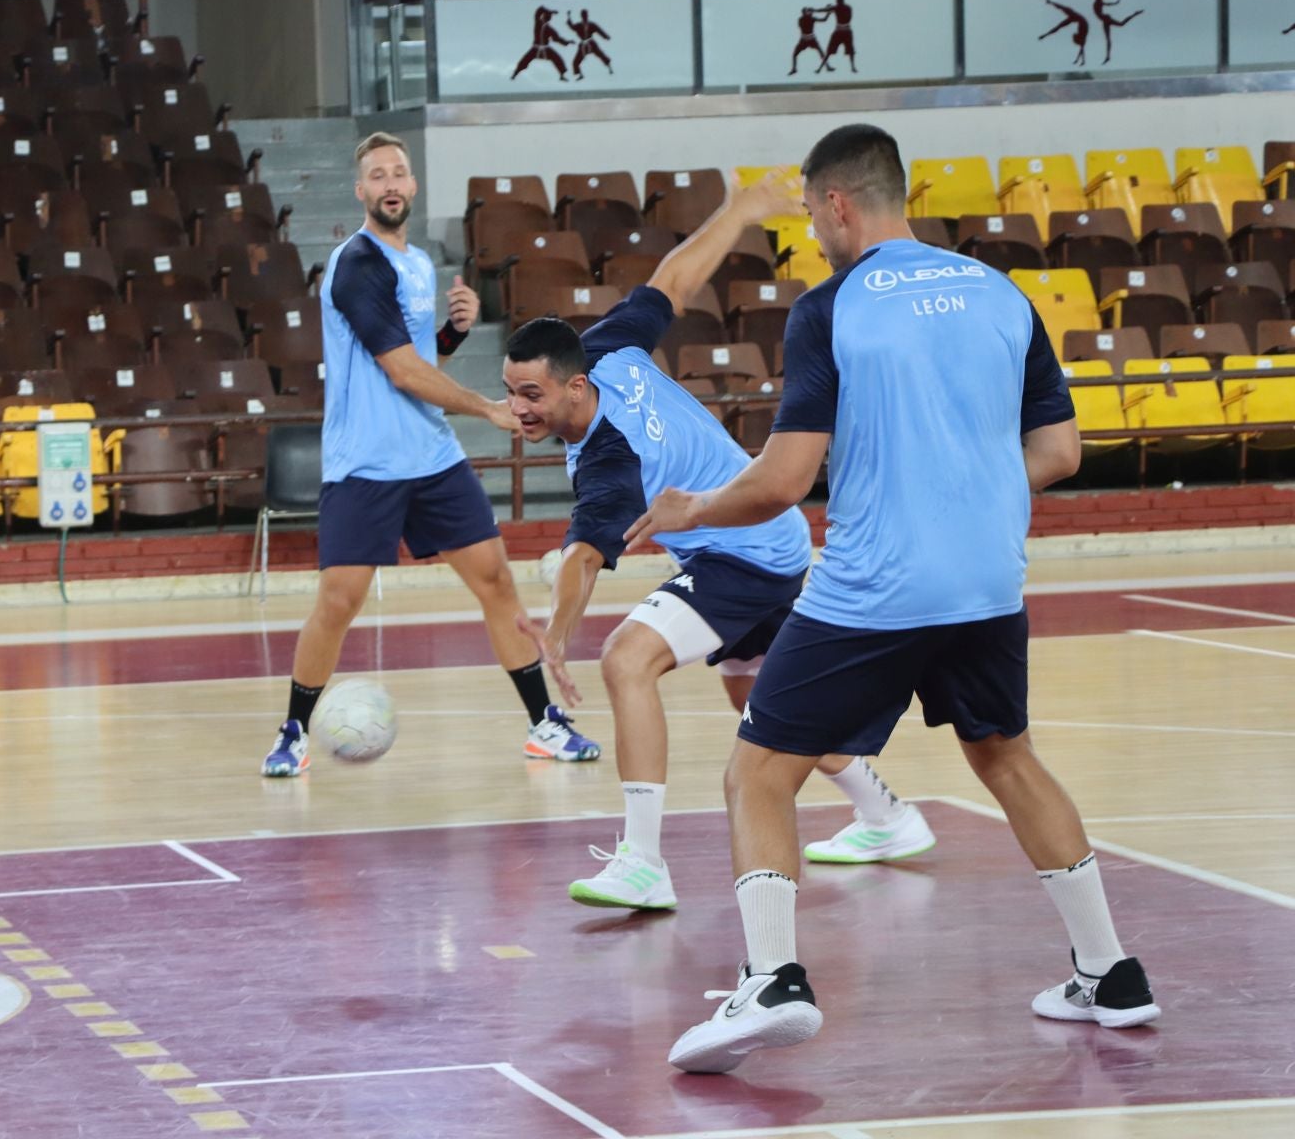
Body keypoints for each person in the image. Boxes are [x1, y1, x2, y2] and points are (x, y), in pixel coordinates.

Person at [633, 125, 1156, 1074]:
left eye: (808, 211)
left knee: (758, 773)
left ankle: (774, 979)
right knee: (1006, 757)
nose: (809, 229)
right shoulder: (1002, 293)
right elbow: (1061, 453)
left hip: (875, 590)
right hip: (989, 583)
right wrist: (964, 488)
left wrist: (692, 505)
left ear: (836, 204)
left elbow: (784, 481)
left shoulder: (831, 308)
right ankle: (1110, 972)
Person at [505, 171, 935, 913]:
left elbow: (581, 556)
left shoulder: (610, 458)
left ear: (574, 388)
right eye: (511, 393)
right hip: (769, 539)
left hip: (746, 551)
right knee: (767, 709)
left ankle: (643, 862)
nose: (518, 410)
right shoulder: (605, 348)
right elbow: (673, 280)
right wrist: (736, 210)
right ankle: (888, 818)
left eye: (531, 396)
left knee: (626, 659)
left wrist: (559, 631)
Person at [261, 133, 602, 776]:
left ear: (413, 186)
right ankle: (293, 733)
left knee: (497, 582)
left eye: (399, 172)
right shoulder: (356, 266)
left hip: (431, 458)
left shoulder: (417, 264)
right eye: (377, 175)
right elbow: (402, 374)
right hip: (365, 464)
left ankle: (543, 725)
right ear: (361, 191)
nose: (390, 183)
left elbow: (424, 359)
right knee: (339, 602)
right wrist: (489, 408)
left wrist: (453, 332)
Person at [511, 7, 573, 81]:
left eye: (545, 17)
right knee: (525, 60)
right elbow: (539, 9)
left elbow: (557, 39)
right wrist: (551, 11)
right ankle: (515, 73)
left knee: (557, 58)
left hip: (542, 49)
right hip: (537, 48)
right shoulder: (540, 24)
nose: (544, 18)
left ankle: (562, 75)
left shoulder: (545, 27)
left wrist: (567, 42)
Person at [568, 10, 613, 80]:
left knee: (601, 54)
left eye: (585, 15)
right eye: (584, 15)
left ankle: (609, 67)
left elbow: (599, 30)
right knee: (576, 61)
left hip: (591, 43)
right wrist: (569, 17)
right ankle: (580, 74)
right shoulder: (579, 25)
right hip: (583, 45)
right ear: (582, 16)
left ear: (587, 16)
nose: (585, 17)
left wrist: (606, 36)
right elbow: (572, 27)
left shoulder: (591, 25)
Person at [821, 0, 856, 73]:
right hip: (843, 31)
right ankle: (853, 67)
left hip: (842, 31)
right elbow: (824, 10)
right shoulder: (845, 7)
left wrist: (815, 10)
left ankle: (853, 67)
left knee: (850, 50)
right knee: (831, 50)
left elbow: (824, 10)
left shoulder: (838, 8)